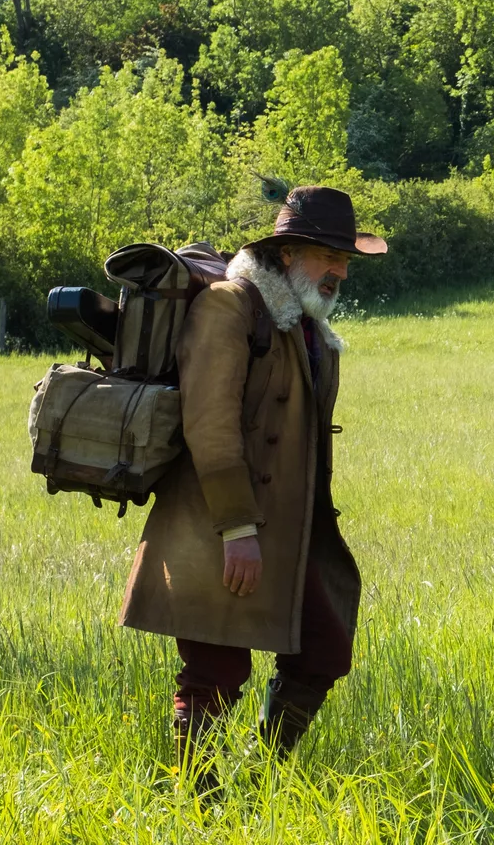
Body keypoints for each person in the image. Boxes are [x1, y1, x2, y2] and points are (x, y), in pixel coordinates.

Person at [117, 185, 386, 791]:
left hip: (292, 527)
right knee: (214, 669)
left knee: (324, 647)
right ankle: (193, 797)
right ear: (288, 253)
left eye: (345, 259)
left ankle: (267, 776)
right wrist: (238, 528)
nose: (340, 271)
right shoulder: (229, 307)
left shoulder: (303, 321)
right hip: (220, 522)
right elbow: (210, 425)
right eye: (328, 255)